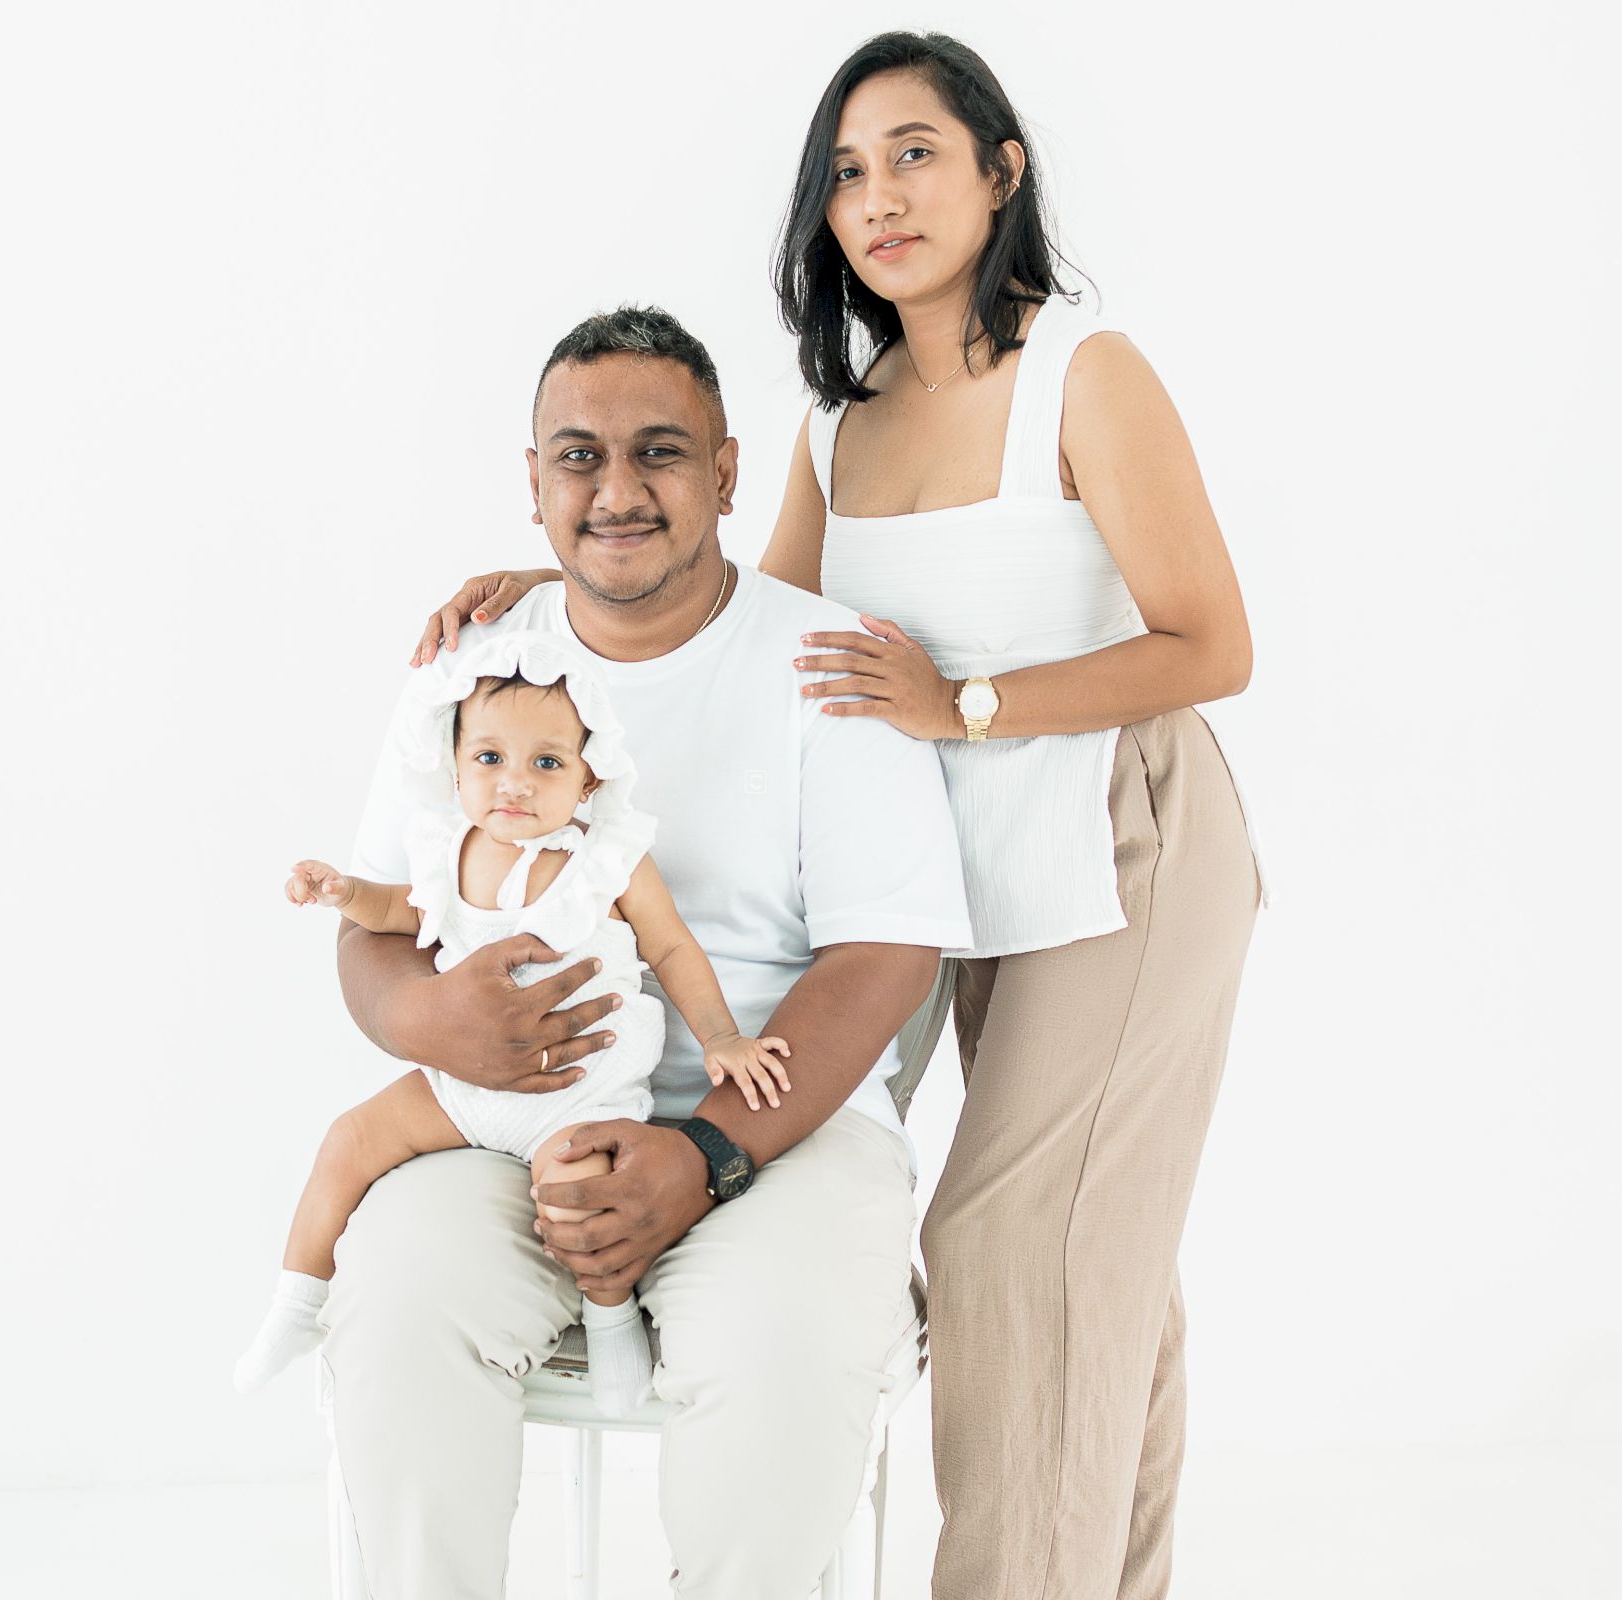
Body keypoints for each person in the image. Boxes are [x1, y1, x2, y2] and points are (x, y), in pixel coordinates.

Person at [414, 31, 1267, 1600]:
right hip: (946, 865)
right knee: (1097, 1257)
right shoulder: (841, 422)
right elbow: (757, 624)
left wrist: (968, 705)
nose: (879, 197)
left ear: (1002, 172)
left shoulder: (1085, 374)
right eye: (849, 172)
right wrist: (575, 571)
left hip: (1120, 839)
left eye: (916, 154)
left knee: (1016, 1242)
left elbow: (1212, 645)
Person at [328, 304, 972, 1597]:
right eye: (579, 457)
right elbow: (375, 922)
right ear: (533, 484)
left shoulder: (828, 663)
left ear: (726, 472)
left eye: (660, 454)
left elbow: (888, 956)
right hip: (508, 1122)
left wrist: (705, 1154)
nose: (616, 491)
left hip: (779, 1129)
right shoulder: (468, 672)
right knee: (397, 1293)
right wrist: (425, 1021)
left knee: (783, 1343)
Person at [232, 633, 792, 1415]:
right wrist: (343, 892)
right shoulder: (449, 849)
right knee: (348, 1139)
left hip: (579, 1096)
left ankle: (609, 1321)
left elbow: (671, 947)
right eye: (490, 759)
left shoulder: (608, 860)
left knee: (583, 1209)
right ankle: (296, 1303)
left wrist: (721, 1036)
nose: (515, 783)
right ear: (456, 767)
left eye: (547, 762)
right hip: (468, 1086)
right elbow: (399, 911)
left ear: (588, 776)